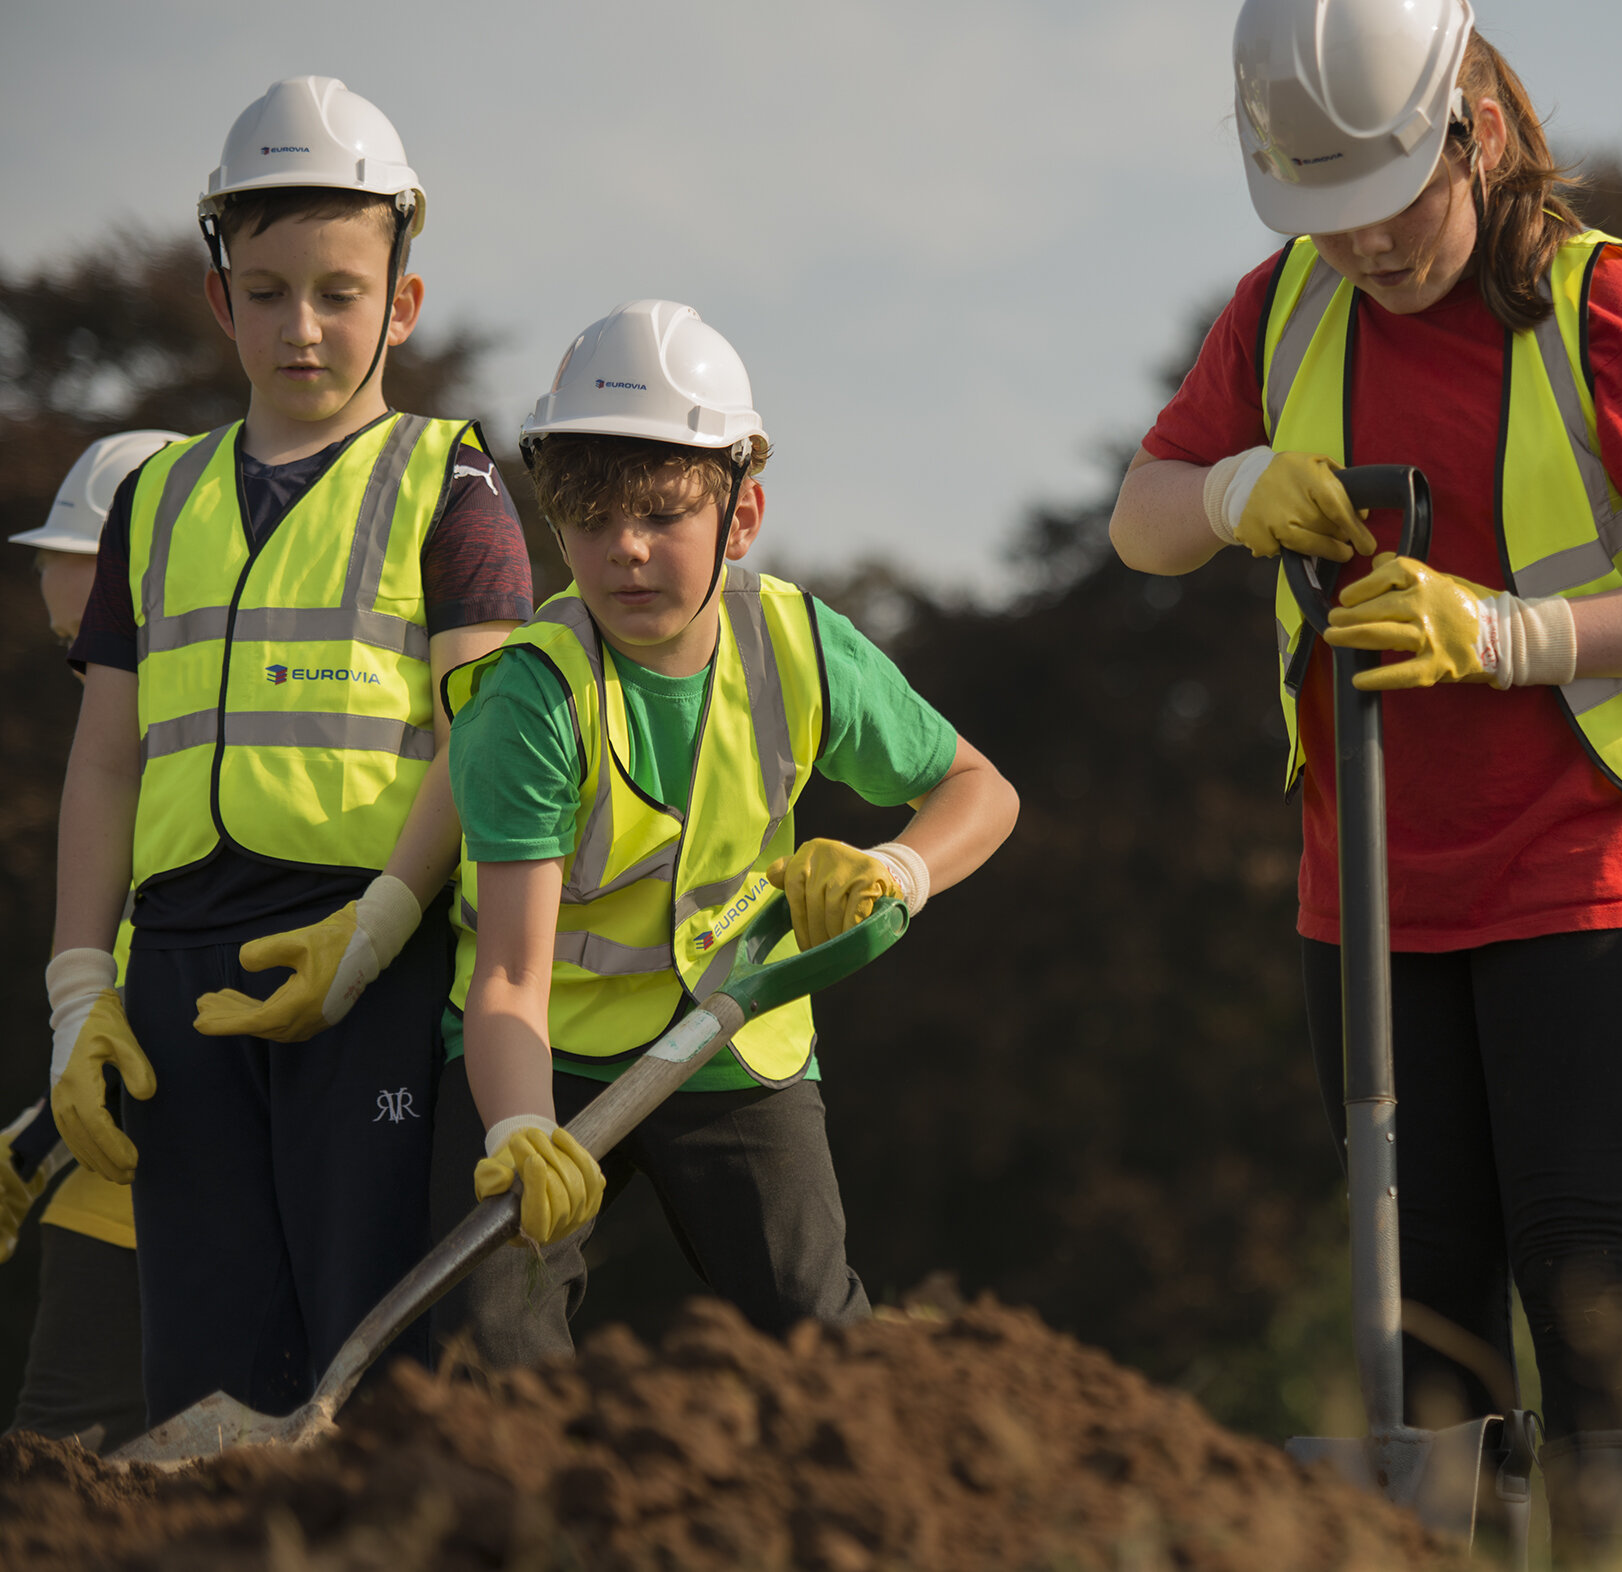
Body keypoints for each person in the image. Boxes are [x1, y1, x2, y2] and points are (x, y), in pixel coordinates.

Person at [1109, 1, 1622, 1560]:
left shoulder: (1608, 310)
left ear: (1471, 130)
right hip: (1366, 883)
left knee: (1583, 1259)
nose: (1361, 248)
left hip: (1584, 864)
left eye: (1387, 206)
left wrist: (1508, 633)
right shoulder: (1279, 310)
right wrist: (1220, 487)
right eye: (1323, 217)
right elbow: (1140, 518)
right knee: (1415, 1295)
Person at [43, 76, 533, 1428]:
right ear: (221, 299)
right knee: (192, 1380)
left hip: (366, 964)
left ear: (401, 302)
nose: (300, 326)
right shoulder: (155, 498)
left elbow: (485, 744)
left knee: (363, 1374)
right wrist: (80, 991)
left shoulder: (456, 483)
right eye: (266, 291)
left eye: (335, 291)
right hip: (180, 985)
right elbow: (103, 763)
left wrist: (377, 930)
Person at [427, 300, 1018, 1364]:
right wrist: (518, 1135)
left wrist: (897, 868)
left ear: (741, 517)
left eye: (661, 513)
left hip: (735, 1041)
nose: (627, 552)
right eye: (593, 520)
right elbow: (508, 980)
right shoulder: (528, 702)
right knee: (490, 1356)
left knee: (816, 1339)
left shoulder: (797, 646)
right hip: (540, 1059)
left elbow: (982, 790)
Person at [3, 430, 180, 1450]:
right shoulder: (126, 728)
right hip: (113, 1147)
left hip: (181, 1148)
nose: (41, 576)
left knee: (67, 1448)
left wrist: (31, 1144)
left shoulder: (190, 748)